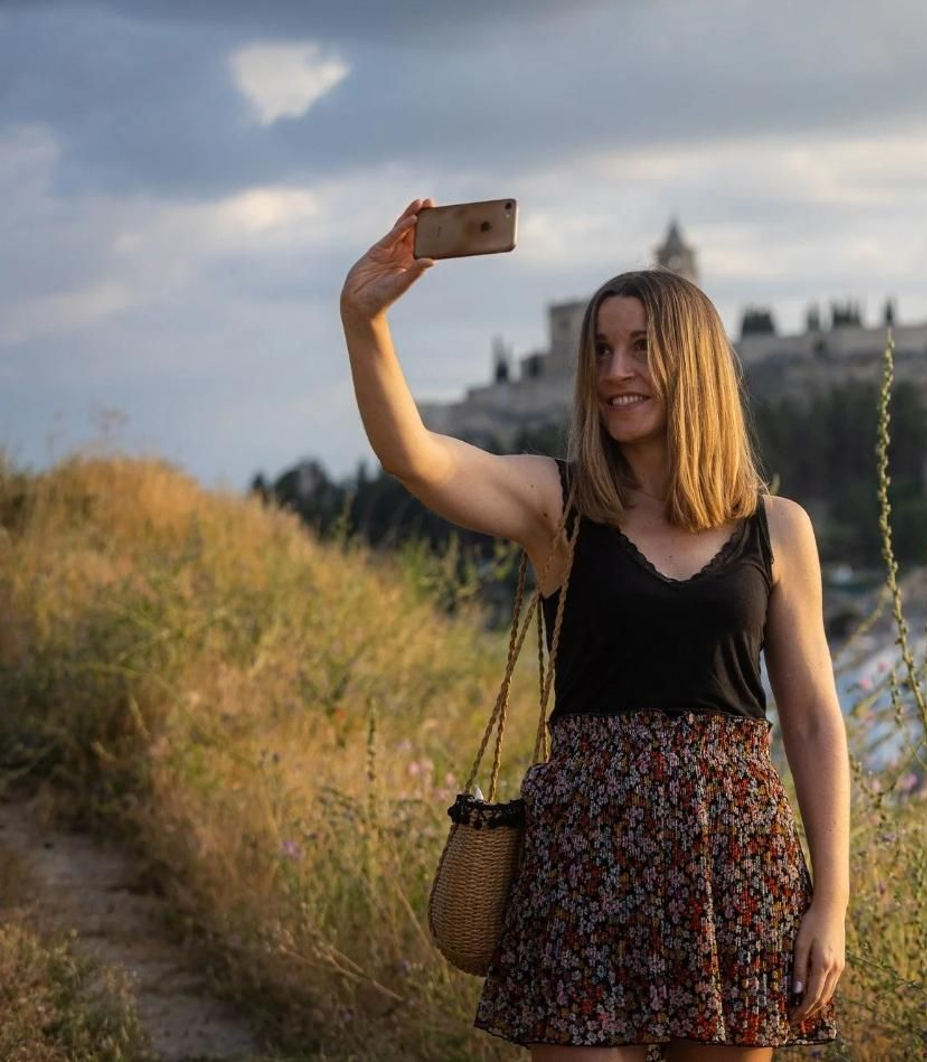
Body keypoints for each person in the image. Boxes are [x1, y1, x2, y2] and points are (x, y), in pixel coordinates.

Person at [340, 199, 847, 1062]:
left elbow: (809, 723)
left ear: (693, 363)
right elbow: (416, 459)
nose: (616, 370)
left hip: (735, 856)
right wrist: (364, 322)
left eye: (642, 347)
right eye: (602, 351)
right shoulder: (557, 504)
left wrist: (830, 903)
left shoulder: (779, 528)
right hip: (581, 855)